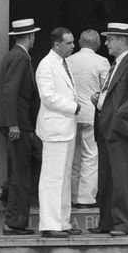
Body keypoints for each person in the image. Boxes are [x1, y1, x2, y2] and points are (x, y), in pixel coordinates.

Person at [90, 23, 128, 236]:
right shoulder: (116, 64)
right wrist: (99, 100)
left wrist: (119, 112)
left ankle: (124, 224)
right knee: (106, 179)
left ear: (122, 40)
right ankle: (106, 223)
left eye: (109, 39)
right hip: (107, 129)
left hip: (120, 130)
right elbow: (114, 94)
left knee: (121, 178)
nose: (106, 43)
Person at [34, 27, 83, 238]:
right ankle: (49, 223)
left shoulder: (64, 64)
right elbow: (47, 96)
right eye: (69, 43)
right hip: (55, 128)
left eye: (73, 42)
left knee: (63, 177)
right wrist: (73, 107)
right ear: (57, 44)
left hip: (66, 127)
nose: (73, 46)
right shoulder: (46, 65)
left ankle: (62, 221)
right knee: (52, 177)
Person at [0, 18, 41, 235]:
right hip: (18, 125)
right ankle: (15, 222)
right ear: (31, 36)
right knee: (21, 173)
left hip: (22, 124)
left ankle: (5, 191)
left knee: (34, 160)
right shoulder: (20, 57)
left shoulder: (17, 55)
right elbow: (10, 91)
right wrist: (13, 123)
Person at [67, 28, 110, 208]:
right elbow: (107, 89)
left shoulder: (68, 60)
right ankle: (86, 198)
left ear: (79, 42)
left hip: (71, 113)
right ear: (98, 44)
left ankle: (72, 196)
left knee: (73, 157)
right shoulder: (102, 61)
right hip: (92, 114)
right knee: (91, 156)